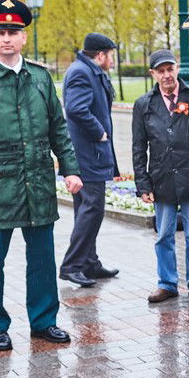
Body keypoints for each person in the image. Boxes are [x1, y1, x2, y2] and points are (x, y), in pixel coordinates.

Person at [0, 0, 82, 350]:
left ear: (24, 37)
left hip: (37, 181)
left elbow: (58, 127)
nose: (7, 38)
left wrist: (70, 169)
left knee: (42, 259)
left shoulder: (39, 76)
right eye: (0, 32)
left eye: (13, 32)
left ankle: (44, 321)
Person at [132, 49, 189, 304]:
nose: (167, 75)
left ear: (177, 68)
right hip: (162, 178)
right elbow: (139, 147)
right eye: (161, 71)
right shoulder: (144, 104)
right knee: (164, 235)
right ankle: (167, 283)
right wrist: (142, 184)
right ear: (153, 74)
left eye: (170, 69)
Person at [59, 33, 120, 288]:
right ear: (101, 55)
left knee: (85, 209)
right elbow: (75, 108)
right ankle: (72, 265)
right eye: (111, 55)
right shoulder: (81, 73)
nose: (112, 60)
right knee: (92, 209)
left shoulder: (89, 71)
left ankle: (89, 262)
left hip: (89, 154)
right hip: (87, 155)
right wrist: (99, 132)